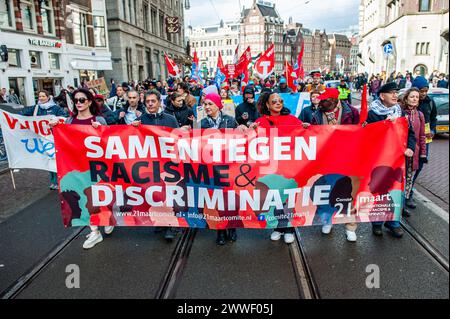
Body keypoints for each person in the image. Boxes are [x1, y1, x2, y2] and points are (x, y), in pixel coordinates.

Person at [49, 88, 114, 249]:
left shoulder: (99, 119)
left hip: (98, 166)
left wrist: (100, 130)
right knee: (85, 197)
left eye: (82, 100)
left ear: (90, 102)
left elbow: (109, 142)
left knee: (101, 195)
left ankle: (107, 217)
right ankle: (94, 231)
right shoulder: (69, 121)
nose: (78, 103)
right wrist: (54, 127)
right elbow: (61, 140)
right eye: (76, 100)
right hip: (78, 166)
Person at [364, 82, 416, 237]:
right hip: (378, 160)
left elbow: (411, 133)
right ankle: (377, 222)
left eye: (396, 92)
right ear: (382, 96)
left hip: (397, 160)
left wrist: (410, 148)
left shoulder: (400, 112)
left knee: (396, 191)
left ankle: (394, 222)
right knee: (379, 190)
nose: (395, 95)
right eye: (391, 93)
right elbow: (366, 136)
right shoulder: (371, 113)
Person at [251, 91, 304, 244]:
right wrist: (249, 129)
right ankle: (277, 228)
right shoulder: (260, 121)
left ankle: (289, 228)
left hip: (288, 167)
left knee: (287, 197)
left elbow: (306, 136)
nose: (278, 103)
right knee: (274, 197)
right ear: (267, 105)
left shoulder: (292, 119)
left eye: (280, 101)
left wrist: (307, 128)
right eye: (274, 102)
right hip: (270, 168)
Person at [310, 88, 360, 242]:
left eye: (324, 100)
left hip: (349, 158)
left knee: (349, 193)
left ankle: (350, 226)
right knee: (328, 190)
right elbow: (311, 134)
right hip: (327, 160)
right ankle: (327, 220)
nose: (320, 102)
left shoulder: (351, 112)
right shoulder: (317, 115)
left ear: (333, 100)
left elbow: (364, 130)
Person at [132, 90, 180, 242]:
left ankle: (170, 225)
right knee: (155, 194)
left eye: (153, 101)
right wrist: (132, 128)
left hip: (168, 165)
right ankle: (161, 221)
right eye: (147, 102)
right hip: (150, 165)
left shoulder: (170, 119)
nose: (150, 104)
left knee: (169, 194)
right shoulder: (140, 120)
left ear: (159, 102)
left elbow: (178, 139)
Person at [200, 93, 247, 245]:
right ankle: (220, 230)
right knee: (216, 200)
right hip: (211, 167)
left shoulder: (230, 120)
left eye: (210, 104)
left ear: (218, 105)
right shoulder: (200, 124)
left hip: (229, 166)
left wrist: (242, 128)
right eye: (205, 104)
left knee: (231, 199)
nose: (207, 107)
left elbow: (240, 139)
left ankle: (232, 227)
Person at [21, 90, 67, 190]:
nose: (41, 98)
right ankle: (53, 181)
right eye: (39, 96)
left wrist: (57, 120)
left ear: (48, 97)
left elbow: (65, 117)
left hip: (54, 138)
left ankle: (58, 181)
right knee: (48, 159)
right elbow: (22, 115)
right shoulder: (36, 108)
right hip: (42, 138)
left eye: (43, 96)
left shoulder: (55, 108)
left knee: (55, 159)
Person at [409, 76, 437, 206]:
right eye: (422, 91)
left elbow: (433, 118)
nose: (424, 94)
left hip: (425, 139)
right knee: (410, 166)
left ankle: (410, 191)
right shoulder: (411, 101)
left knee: (419, 166)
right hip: (411, 139)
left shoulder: (430, 102)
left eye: (426, 90)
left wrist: (432, 129)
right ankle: (406, 194)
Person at [400, 88, 427, 216]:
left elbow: (422, 135)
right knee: (398, 179)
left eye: (417, 97)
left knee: (408, 181)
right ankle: (395, 205)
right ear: (406, 98)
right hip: (400, 152)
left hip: (413, 153)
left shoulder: (420, 115)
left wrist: (423, 153)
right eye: (412, 97)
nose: (415, 99)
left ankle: (403, 205)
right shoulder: (400, 112)